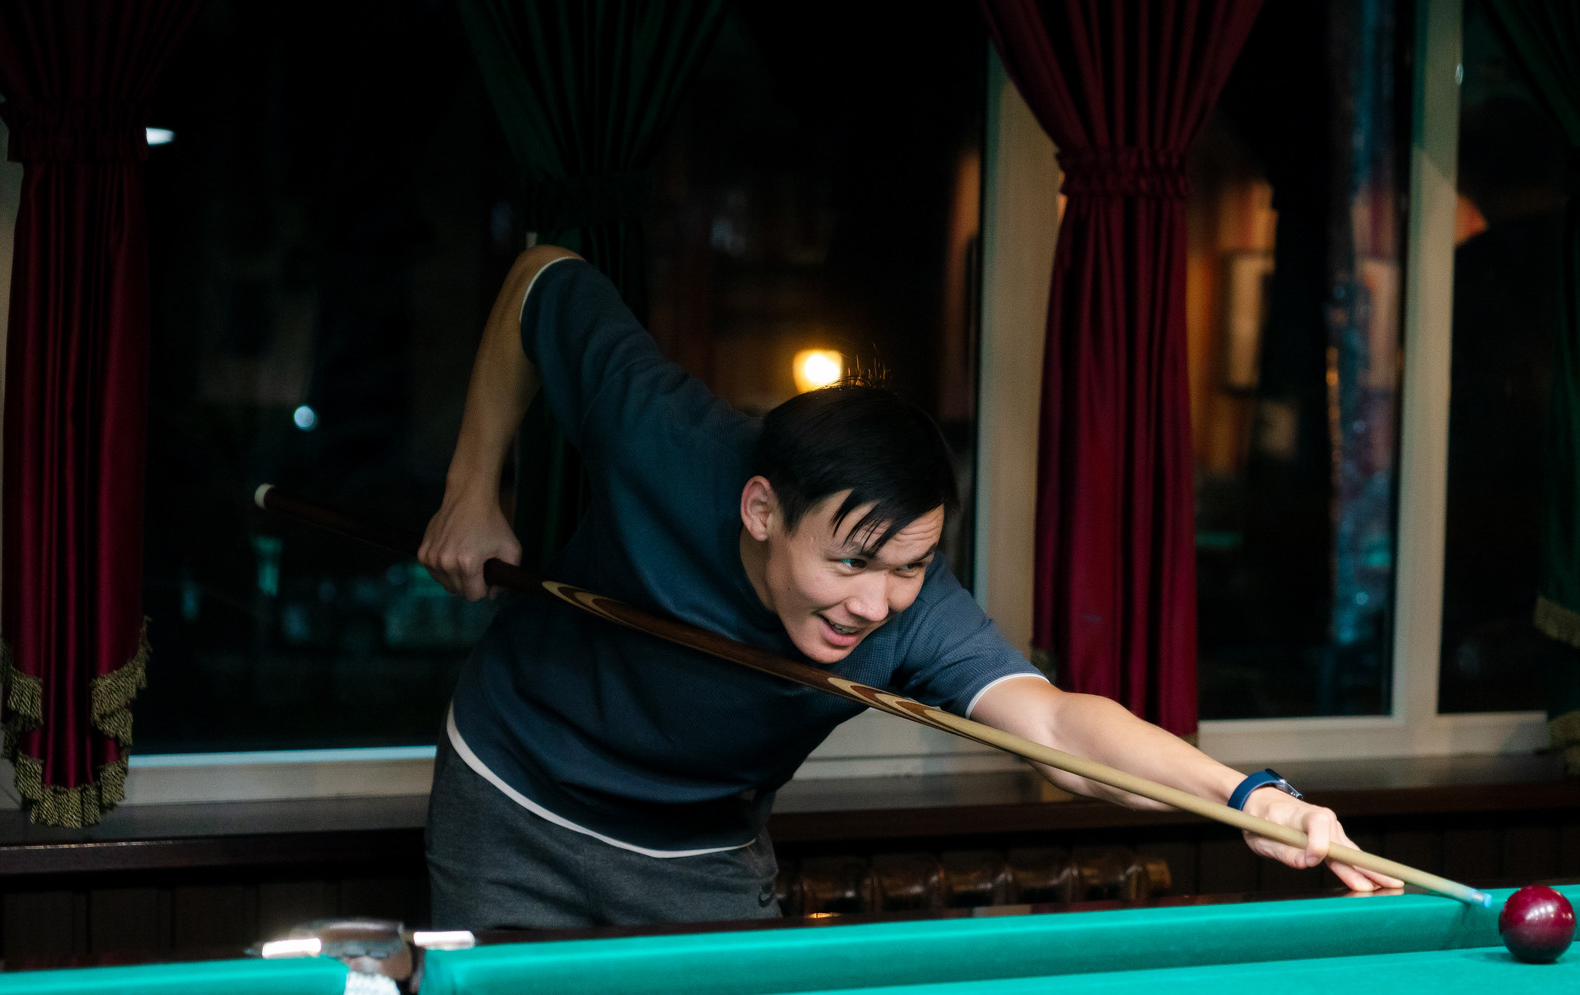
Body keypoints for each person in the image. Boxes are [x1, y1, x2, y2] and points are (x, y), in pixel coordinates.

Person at [418, 245, 1395, 930]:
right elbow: (543, 276)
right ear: (761, 510)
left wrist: (1250, 796)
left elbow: (1058, 728)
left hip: (701, 856)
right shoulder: (663, 438)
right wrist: (473, 486)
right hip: (513, 801)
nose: (874, 605)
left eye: (909, 565)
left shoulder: (913, 609)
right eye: (849, 561)